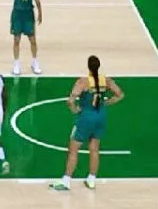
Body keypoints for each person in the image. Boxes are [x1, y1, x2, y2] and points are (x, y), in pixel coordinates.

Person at [49, 55, 125, 191]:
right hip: (101, 116)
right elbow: (120, 94)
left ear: (88, 66)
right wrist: (107, 103)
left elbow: (70, 101)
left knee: (73, 149)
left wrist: (75, 110)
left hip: (86, 117)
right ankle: (91, 180)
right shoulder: (106, 80)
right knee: (94, 149)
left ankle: (66, 181)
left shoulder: (83, 82)